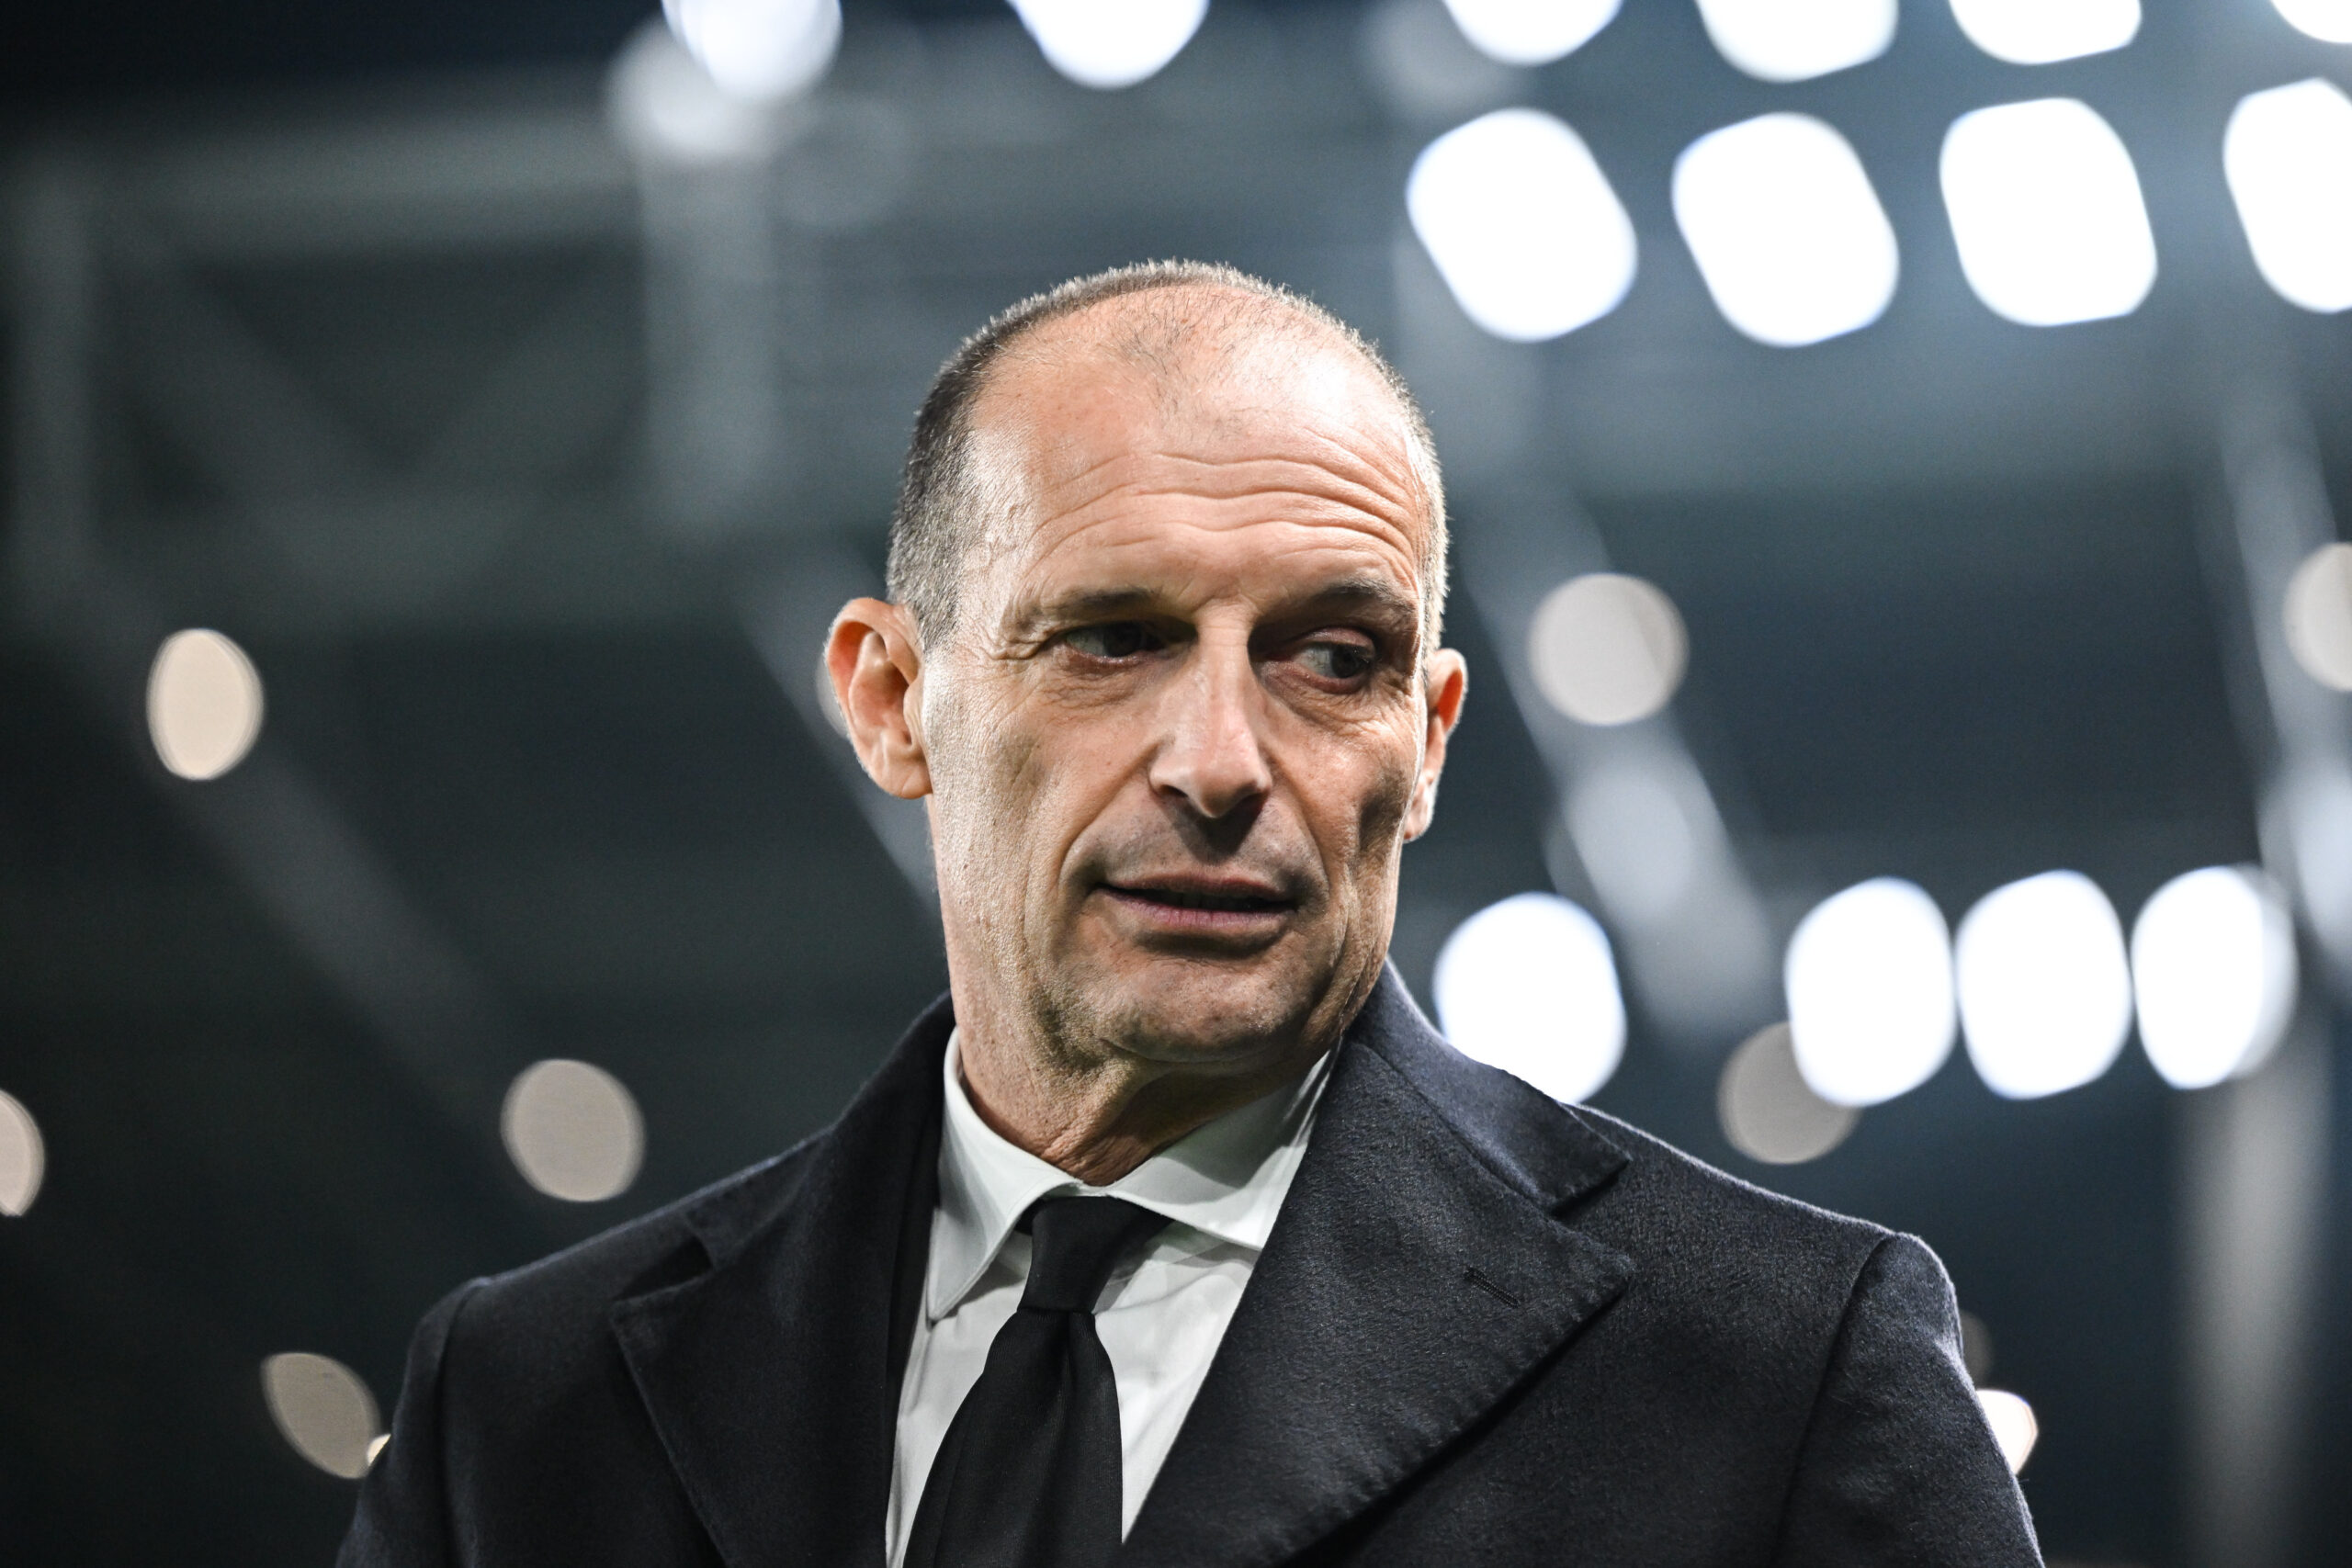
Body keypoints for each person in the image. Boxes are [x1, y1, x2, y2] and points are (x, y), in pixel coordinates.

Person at [339, 262, 2041, 1568]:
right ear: (891, 698)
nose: (1223, 762)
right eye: (1112, 640)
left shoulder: (1776, 1377)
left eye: (1333, 657)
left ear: (1429, 740)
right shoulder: (518, 1406)